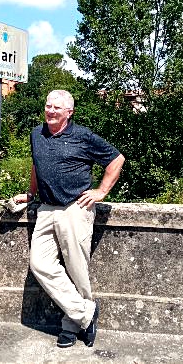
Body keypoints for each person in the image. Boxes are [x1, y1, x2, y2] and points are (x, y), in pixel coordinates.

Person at [13, 89, 125, 348]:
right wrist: (31, 193)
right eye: (48, 106)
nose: (50, 111)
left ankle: (71, 325)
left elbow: (116, 160)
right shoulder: (36, 134)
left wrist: (101, 191)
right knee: (40, 264)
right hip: (47, 208)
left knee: (76, 268)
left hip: (75, 207)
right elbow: (36, 164)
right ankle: (85, 314)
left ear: (69, 113)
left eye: (57, 108)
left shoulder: (82, 136)